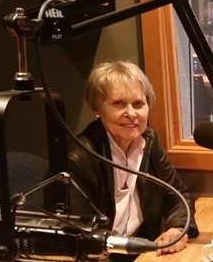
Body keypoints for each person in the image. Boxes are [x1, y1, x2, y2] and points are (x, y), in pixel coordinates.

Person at [68, 60, 199, 261]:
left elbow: (177, 195)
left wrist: (178, 228)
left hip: (141, 251)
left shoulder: (150, 141)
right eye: (118, 103)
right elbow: (79, 236)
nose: (131, 113)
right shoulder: (80, 158)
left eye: (138, 104)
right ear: (97, 109)